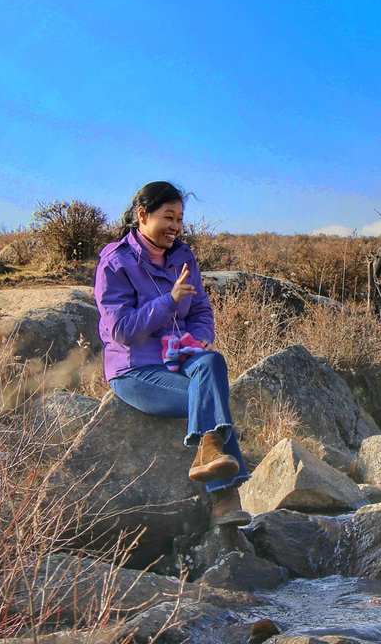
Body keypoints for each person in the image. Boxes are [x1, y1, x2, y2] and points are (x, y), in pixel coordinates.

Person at [93, 181, 251, 526]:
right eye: (168, 217)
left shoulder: (183, 256)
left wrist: (202, 338)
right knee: (211, 397)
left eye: (180, 218)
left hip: (181, 358)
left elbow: (202, 309)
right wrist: (169, 301)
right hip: (136, 371)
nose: (176, 226)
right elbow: (121, 330)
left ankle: (207, 455)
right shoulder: (115, 262)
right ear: (142, 215)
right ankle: (226, 499)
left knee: (212, 362)